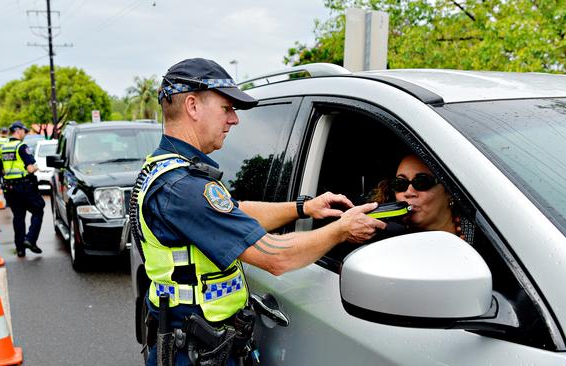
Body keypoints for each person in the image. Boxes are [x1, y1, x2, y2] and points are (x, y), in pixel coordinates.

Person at [132, 58, 386, 366]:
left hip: (195, 342)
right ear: (192, 106)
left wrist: (303, 207)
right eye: (227, 108)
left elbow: (235, 213)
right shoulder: (184, 188)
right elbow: (276, 257)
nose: (235, 120)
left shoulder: (167, 169)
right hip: (196, 352)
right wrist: (342, 229)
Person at [370, 154, 473, 242]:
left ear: (450, 192)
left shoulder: (480, 239)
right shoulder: (382, 239)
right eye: (400, 183)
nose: (409, 192)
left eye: (422, 182)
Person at [1, 121, 44, 257]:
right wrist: (37, 167)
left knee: (18, 217)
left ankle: (20, 249)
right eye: (24, 131)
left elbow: (3, 169)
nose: (25, 134)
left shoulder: (4, 147)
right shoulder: (21, 146)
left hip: (10, 187)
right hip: (24, 186)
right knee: (38, 210)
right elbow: (30, 168)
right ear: (18, 130)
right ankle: (30, 239)